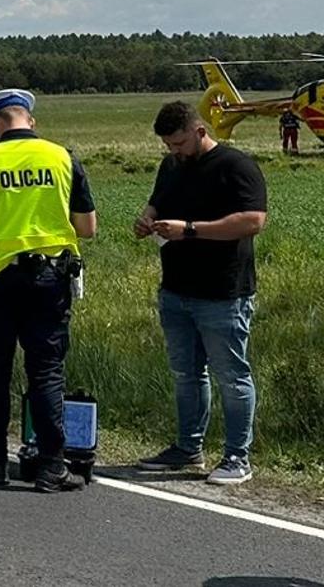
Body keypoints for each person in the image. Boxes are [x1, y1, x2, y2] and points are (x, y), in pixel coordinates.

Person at [0, 88, 98, 492]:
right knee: (46, 372)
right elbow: (87, 228)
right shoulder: (62, 157)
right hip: (48, 281)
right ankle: (52, 465)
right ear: (30, 121)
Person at [134, 102, 268, 486]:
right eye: (167, 145)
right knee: (186, 374)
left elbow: (253, 221)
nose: (173, 151)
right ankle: (187, 446)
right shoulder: (171, 166)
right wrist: (147, 220)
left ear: (199, 131)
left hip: (223, 291)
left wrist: (189, 229)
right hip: (176, 288)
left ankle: (237, 456)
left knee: (231, 375)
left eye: (177, 142)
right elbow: (158, 200)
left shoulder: (236, 166)